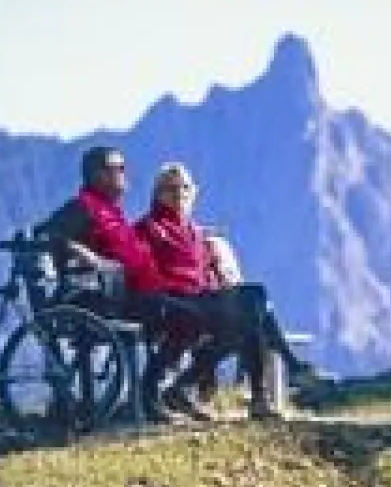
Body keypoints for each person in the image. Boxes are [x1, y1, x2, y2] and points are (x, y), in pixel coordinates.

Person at [39, 146, 287, 421]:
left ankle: (251, 395)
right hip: (124, 297)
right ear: (97, 174)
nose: (124, 174)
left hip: (158, 292)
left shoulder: (112, 211)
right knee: (199, 317)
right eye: (117, 168)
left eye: (123, 167)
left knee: (247, 304)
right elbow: (47, 234)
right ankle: (155, 394)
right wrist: (85, 254)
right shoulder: (84, 206)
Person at [135, 161, 321, 414]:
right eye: (171, 188)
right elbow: (142, 272)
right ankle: (283, 376)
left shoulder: (194, 232)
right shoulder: (147, 228)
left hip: (203, 299)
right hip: (174, 302)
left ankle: (257, 396)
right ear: (158, 194)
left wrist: (217, 283)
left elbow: (206, 274)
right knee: (252, 304)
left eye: (185, 188)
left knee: (252, 306)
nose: (179, 194)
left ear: (194, 193)